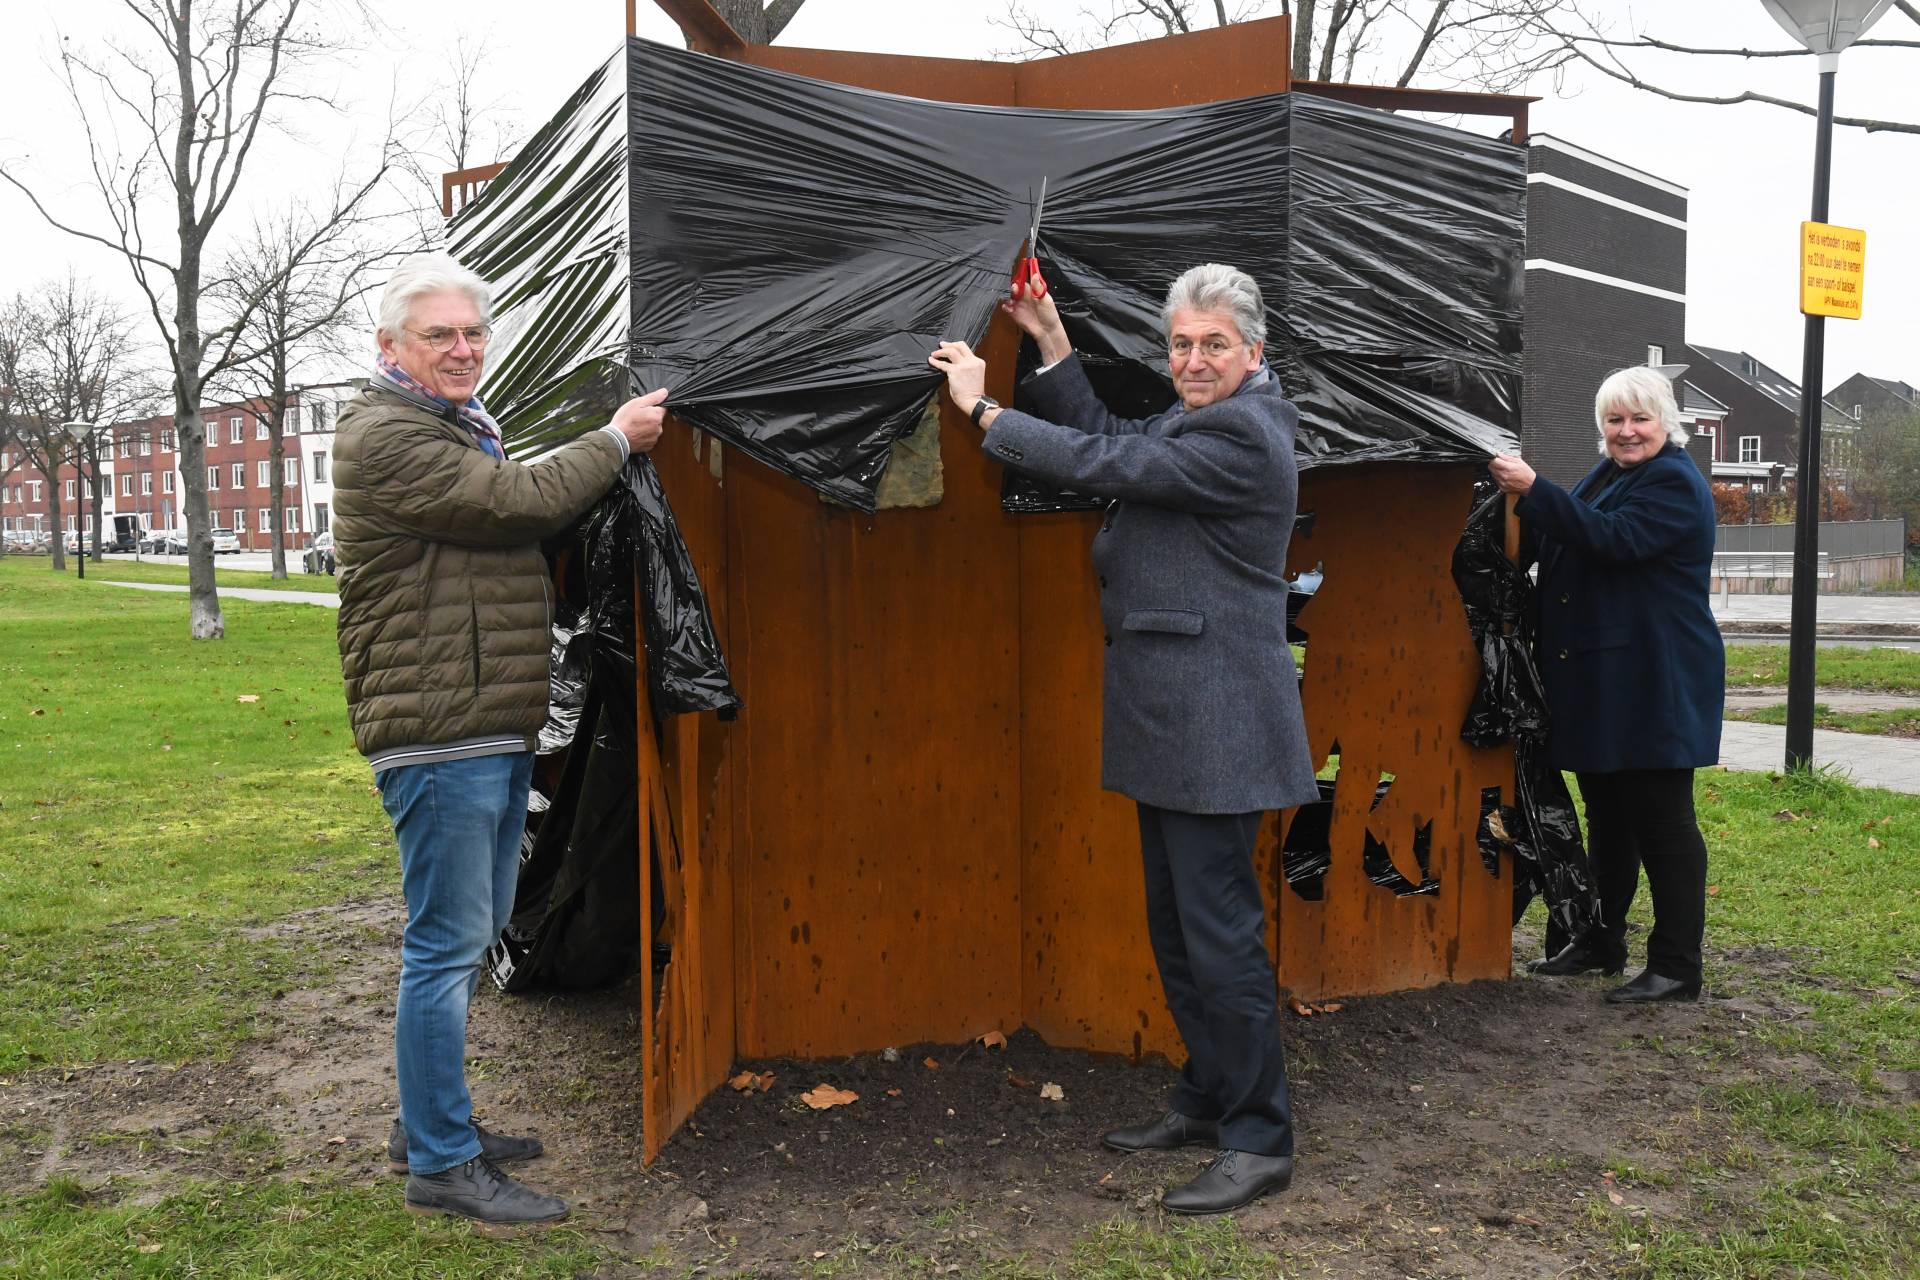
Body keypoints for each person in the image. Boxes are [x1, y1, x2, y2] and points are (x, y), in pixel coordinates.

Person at [929, 262, 1318, 1215]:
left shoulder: (1246, 436)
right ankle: (1208, 1093)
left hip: (1216, 724)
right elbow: (1112, 436)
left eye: (1212, 345)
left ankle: (1260, 1138)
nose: (1191, 359)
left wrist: (985, 413)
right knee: (1179, 929)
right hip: (1176, 717)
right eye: (1181, 343)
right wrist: (1052, 340)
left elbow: (1107, 466)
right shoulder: (1203, 419)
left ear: (1252, 352)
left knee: (1220, 937)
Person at [332, 252, 670, 1226]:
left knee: (469, 933)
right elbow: (512, 503)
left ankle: (429, 1120)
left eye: (473, 332)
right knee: (444, 945)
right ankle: (441, 1159)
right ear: (391, 345)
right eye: (440, 334)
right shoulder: (386, 436)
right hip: (442, 729)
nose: (463, 348)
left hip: (478, 713)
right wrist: (615, 437)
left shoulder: (447, 424)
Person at [1488, 365, 1723, 1004]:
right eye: (1614, 420)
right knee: (1610, 818)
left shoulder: (1673, 481)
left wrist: (1536, 489)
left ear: (1665, 422)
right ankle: (1599, 939)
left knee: (1663, 824)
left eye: (1639, 419)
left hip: (1654, 682)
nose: (1626, 432)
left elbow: (1612, 540)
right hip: (1602, 683)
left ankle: (1677, 965)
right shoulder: (1611, 475)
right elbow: (1559, 540)